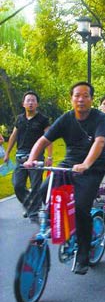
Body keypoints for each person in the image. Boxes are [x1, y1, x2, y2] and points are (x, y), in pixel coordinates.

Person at [24, 82, 105, 275]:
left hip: (92, 168)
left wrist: (86, 164)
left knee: (80, 207)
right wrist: (31, 159)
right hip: (68, 164)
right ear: (71, 98)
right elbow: (44, 140)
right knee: (44, 190)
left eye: (85, 95)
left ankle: (83, 254)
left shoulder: (100, 117)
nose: (81, 99)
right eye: (77, 95)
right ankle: (61, 225)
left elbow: (99, 142)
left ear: (91, 99)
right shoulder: (66, 118)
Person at [4, 91, 53, 219]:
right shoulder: (19, 119)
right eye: (28, 100)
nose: (30, 103)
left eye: (33, 100)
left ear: (37, 104)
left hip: (36, 158)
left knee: (36, 185)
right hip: (20, 157)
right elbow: (13, 136)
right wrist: (7, 153)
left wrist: (49, 156)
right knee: (17, 185)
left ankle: (33, 210)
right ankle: (30, 205)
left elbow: (48, 137)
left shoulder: (43, 120)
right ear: (23, 104)